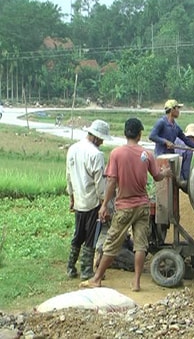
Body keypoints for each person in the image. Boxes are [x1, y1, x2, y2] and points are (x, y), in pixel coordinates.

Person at [80, 118, 171, 291]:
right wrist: (166, 172)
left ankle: (97, 278)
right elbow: (157, 176)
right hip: (143, 206)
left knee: (112, 242)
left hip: (124, 207)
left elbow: (112, 181)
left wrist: (105, 204)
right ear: (139, 134)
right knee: (140, 244)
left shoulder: (116, 153)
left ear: (125, 133)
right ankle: (136, 282)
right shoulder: (147, 154)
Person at [66, 119, 112, 280]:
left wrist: (71, 197)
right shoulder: (96, 154)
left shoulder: (73, 149)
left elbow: (68, 176)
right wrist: (103, 203)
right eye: (101, 139)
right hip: (92, 201)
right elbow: (100, 182)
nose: (102, 142)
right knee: (91, 235)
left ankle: (70, 267)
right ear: (96, 137)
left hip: (79, 199)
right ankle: (86, 270)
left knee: (78, 234)